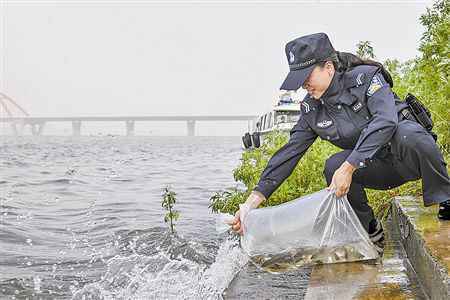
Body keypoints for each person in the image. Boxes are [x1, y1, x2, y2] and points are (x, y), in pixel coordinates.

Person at [229, 33, 450, 252]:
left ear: (328, 67)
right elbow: (288, 154)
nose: (304, 84)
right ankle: (370, 230)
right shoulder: (312, 109)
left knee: (408, 134)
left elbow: (386, 121)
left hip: (410, 158)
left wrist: (350, 165)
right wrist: (250, 204)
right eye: (300, 79)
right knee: (333, 165)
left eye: (308, 76)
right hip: (379, 169)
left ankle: (446, 197)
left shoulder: (366, 78)